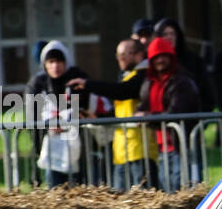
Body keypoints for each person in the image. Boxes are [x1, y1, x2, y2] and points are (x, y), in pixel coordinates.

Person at [68, 38, 159, 190]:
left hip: (140, 151)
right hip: (122, 151)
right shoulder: (128, 76)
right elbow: (121, 110)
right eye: (118, 55)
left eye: (124, 54)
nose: (120, 59)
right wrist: (98, 118)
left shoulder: (145, 76)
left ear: (139, 55)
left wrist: (87, 84)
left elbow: (122, 91)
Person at [138, 37, 200, 192]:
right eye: (156, 57)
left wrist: (147, 117)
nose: (160, 60)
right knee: (167, 191)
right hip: (160, 147)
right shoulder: (149, 83)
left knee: (181, 189)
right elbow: (142, 105)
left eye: (164, 55)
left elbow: (176, 112)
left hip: (181, 145)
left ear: (171, 57)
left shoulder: (182, 81)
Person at [25, 41, 90, 187]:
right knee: (55, 187)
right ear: (45, 64)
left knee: (80, 188)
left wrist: (68, 120)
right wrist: (46, 128)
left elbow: (84, 107)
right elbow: (32, 116)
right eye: (51, 62)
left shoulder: (77, 78)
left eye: (59, 61)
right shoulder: (38, 84)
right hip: (51, 146)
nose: (56, 66)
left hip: (77, 146)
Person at [152, 17, 216, 113]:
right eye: (165, 34)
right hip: (159, 121)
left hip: (190, 120)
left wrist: (200, 117)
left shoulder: (194, 61)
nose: (169, 37)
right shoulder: (151, 62)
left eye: (172, 34)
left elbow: (207, 93)